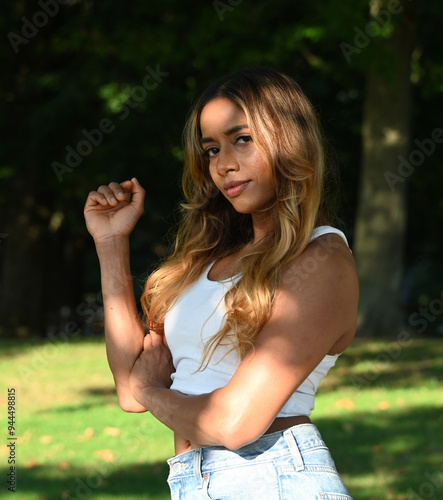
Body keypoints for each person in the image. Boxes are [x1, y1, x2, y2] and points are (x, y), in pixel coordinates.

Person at [84, 67, 359, 499]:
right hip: (193, 480)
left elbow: (232, 424)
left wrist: (150, 389)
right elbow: (130, 389)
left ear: (289, 139)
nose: (223, 164)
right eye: (211, 149)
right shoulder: (210, 260)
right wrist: (111, 243)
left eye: (242, 139)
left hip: (273, 477)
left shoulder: (321, 260)